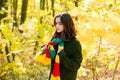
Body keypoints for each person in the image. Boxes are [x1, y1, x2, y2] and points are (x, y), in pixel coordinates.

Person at [48, 12, 83, 80]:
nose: (57, 26)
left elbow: (75, 66)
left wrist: (62, 55)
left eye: (60, 24)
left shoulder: (75, 44)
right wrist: (46, 50)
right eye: (56, 23)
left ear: (67, 25)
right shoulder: (55, 41)